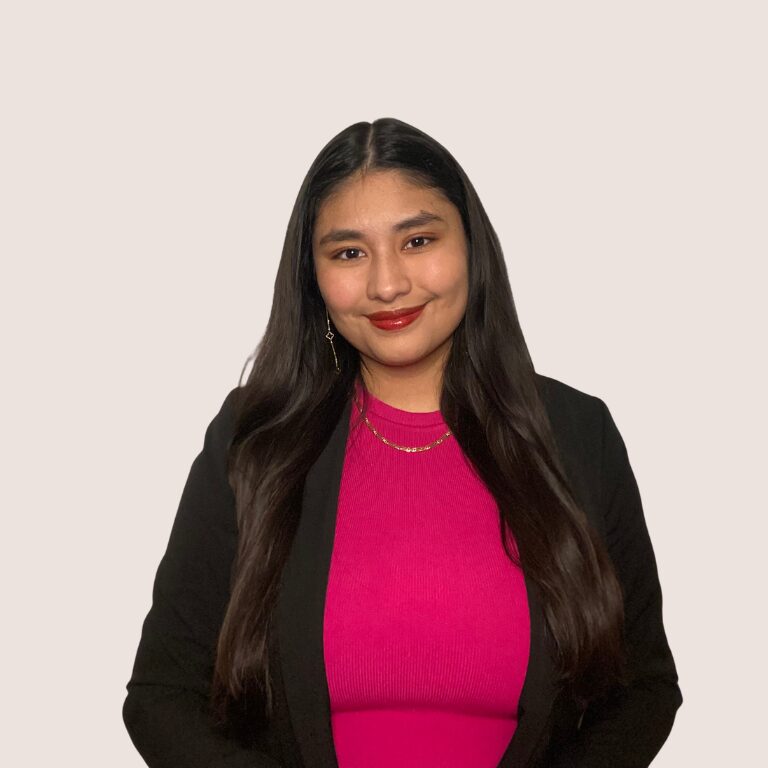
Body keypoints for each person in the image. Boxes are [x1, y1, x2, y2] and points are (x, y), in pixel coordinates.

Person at [122, 117, 682, 768]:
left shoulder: (579, 435)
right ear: (314, 276)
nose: (387, 284)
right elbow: (162, 696)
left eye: (417, 240)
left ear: (472, 246)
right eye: (349, 252)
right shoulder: (254, 442)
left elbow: (644, 691)